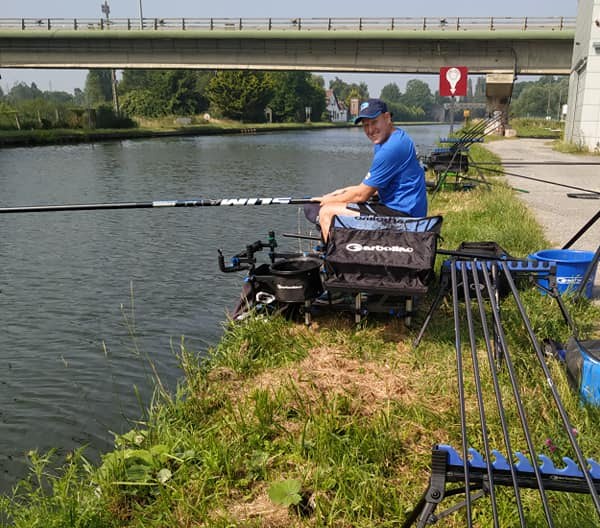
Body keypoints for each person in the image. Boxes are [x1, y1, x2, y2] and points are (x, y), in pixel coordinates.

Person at [314, 98, 427, 240]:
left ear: (387, 118)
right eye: (365, 125)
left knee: (327, 212)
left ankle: (333, 260)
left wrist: (328, 200)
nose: (370, 130)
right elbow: (373, 188)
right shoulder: (391, 138)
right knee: (335, 199)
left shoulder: (391, 148)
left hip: (405, 219)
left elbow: (361, 195)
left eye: (374, 122)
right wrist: (338, 193)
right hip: (402, 210)